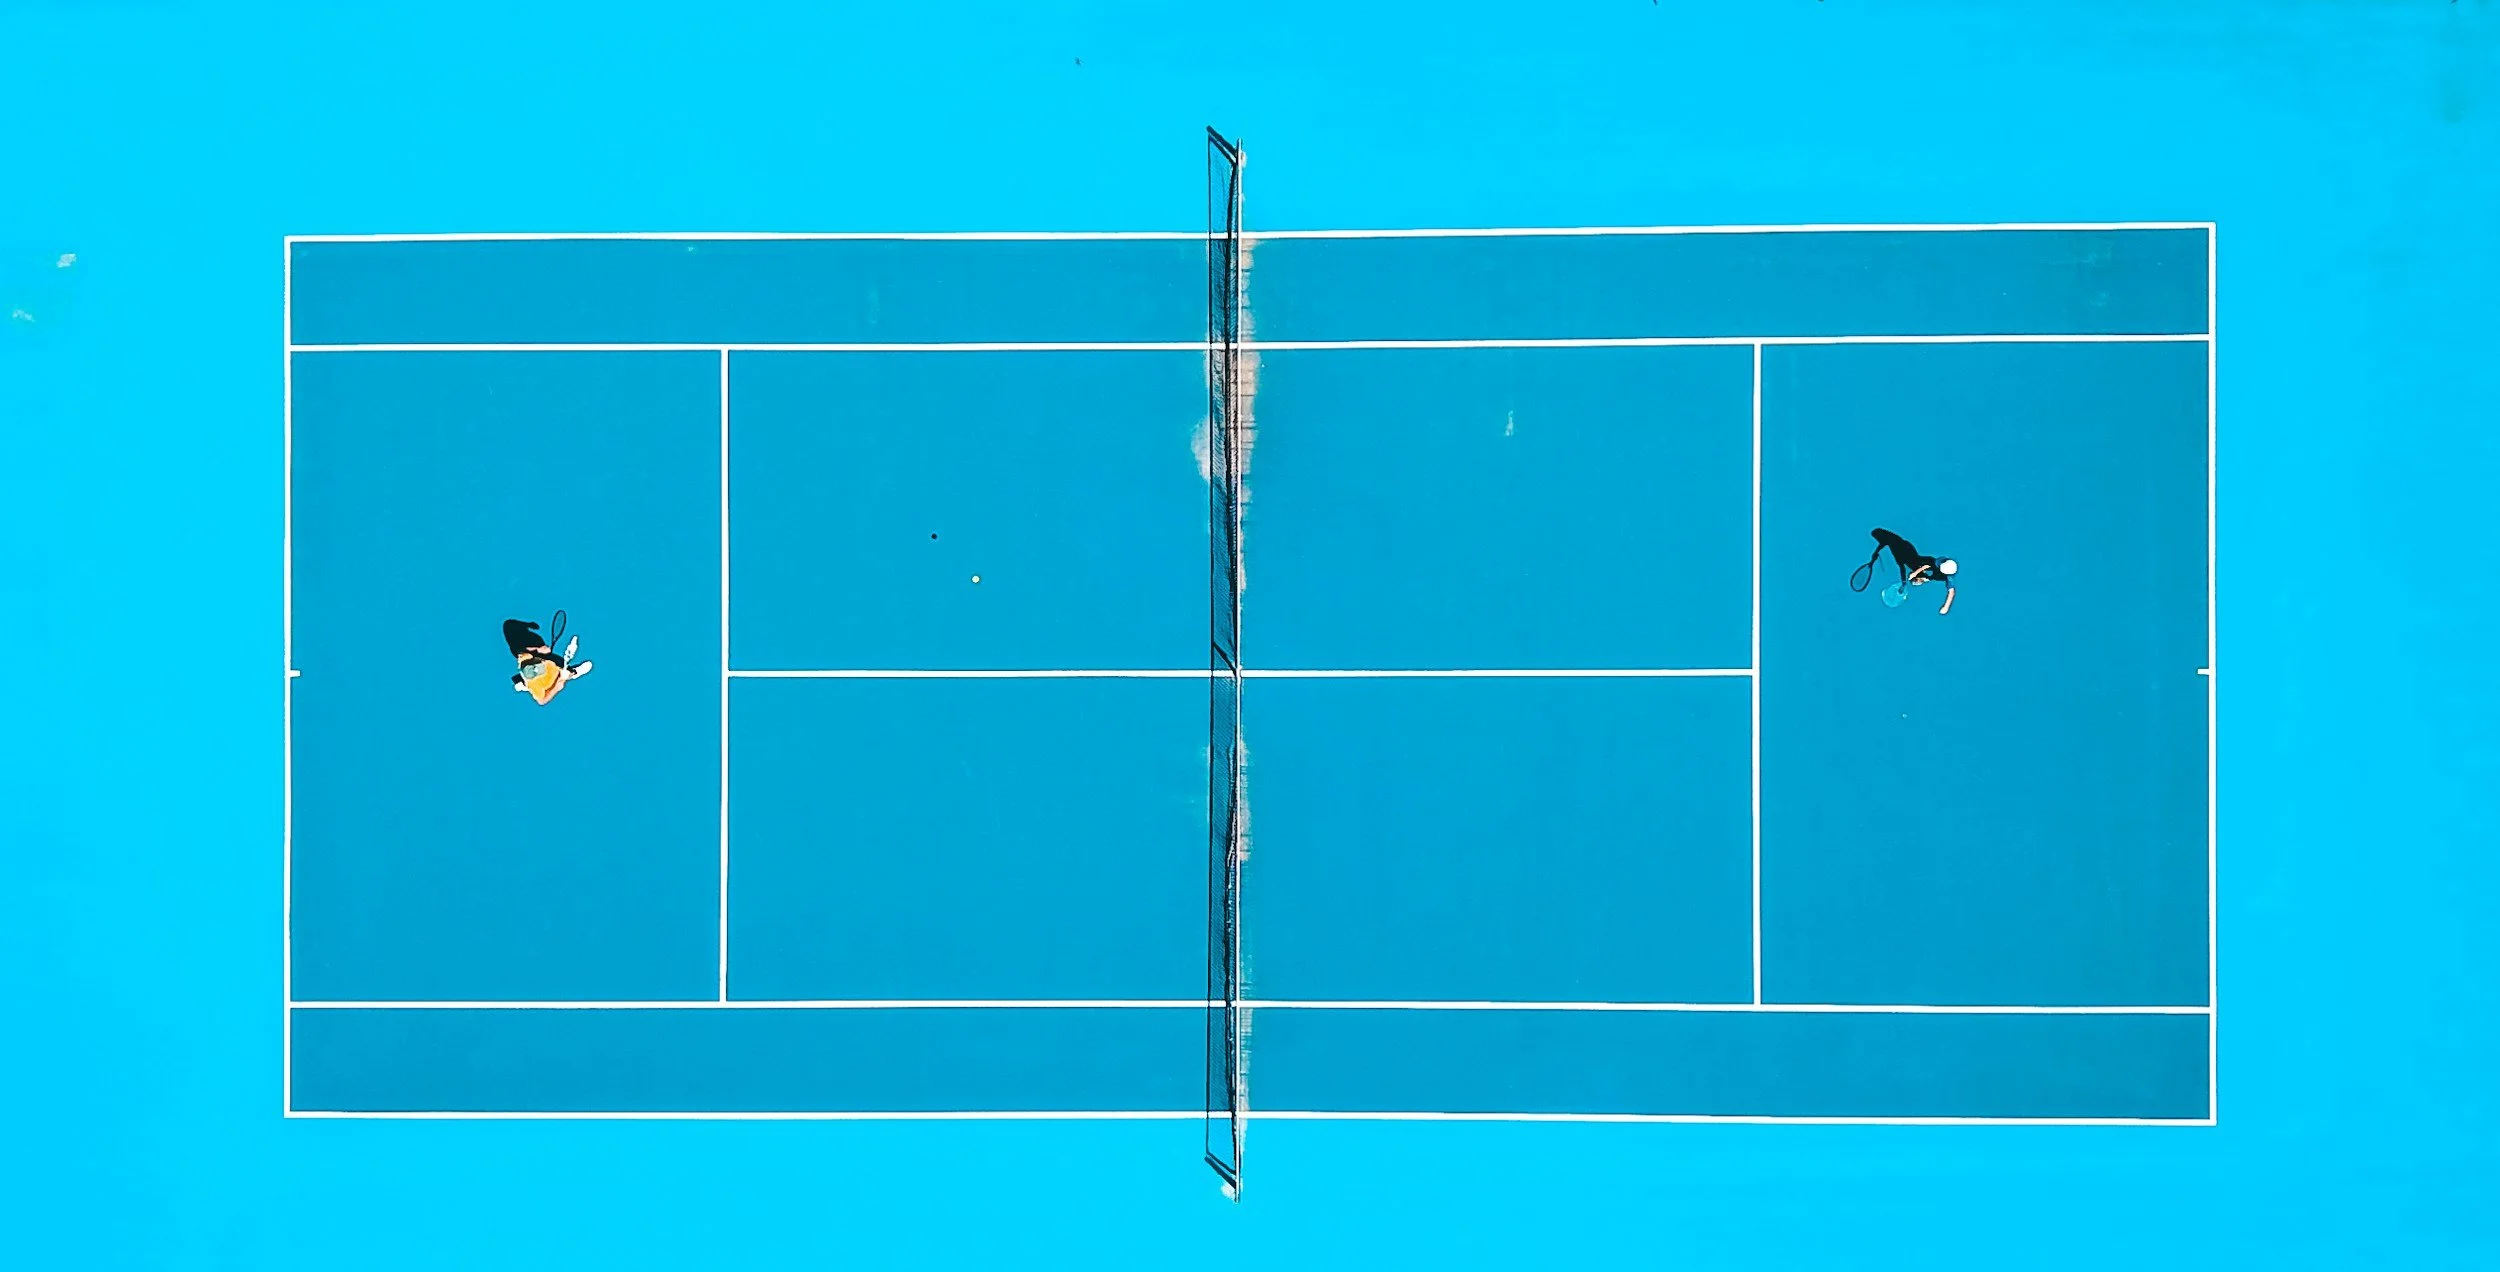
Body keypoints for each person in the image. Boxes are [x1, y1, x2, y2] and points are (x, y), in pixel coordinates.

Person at [1865, 528, 1957, 615]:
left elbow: (1951, 592)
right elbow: (1927, 565)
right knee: (1919, 566)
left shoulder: (1948, 577)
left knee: (1919, 571)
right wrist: (1915, 573)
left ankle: (1920, 577)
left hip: (1918, 564)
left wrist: (1946, 607)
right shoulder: (1940, 561)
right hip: (1923, 562)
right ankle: (1919, 576)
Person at [503, 617, 593, 705]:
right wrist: (558, 685)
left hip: (536, 654)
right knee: (562, 669)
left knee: (510, 627)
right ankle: (575, 672)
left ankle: (521, 682)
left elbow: (519, 648)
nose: (536, 667)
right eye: (536, 670)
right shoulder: (535, 683)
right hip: (549, 675)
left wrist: (538, 649)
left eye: (534, 666)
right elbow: (541, 701)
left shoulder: (524, 656)